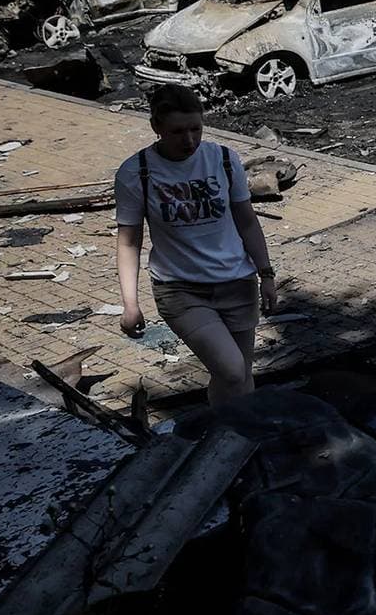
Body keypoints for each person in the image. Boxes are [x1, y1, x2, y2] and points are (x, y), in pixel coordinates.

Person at [114, 84, 278, 404]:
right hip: (181, 290)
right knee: (230, 369)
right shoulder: (137, 173)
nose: (189, 140)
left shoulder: (225, 160)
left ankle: (233, 444)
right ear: (156, 128)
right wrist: (130, 303)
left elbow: (247, 221)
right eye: (177, 131)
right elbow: (129, 242)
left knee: (240, 375)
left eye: (195, 129)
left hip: (237, 283)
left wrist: (266, 275)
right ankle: (227, 440)